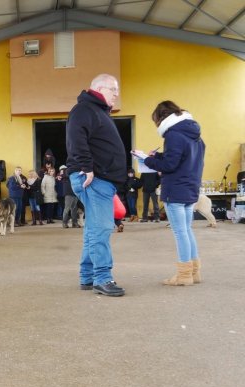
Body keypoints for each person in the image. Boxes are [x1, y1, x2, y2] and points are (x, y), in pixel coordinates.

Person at [66, 73, 127, 297]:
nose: (116, 94)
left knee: (94, 228)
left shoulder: (97, 111)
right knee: (102, 228)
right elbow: (75, 136)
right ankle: (102, 277)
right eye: (113, 89)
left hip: (101, 179)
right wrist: (87, 166)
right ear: (100, 88)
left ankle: (88, 276)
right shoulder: (85, 109)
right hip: (95, 179)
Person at [139, 100, 204, 286]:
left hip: (175, 189)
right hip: (190, 187)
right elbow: (184, 159)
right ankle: (194, 272)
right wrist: (157, 156)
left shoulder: (173, 135)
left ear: (161, 118)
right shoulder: (194, 134)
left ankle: (184, 276)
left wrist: (147, 160)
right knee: (187, 230)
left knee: (180, 232)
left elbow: (170, 165)